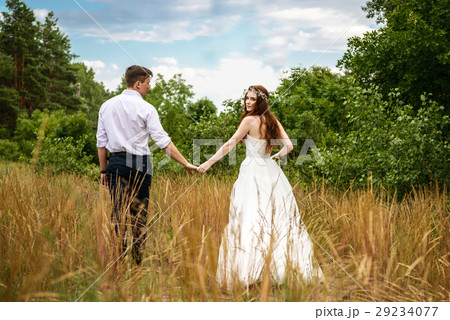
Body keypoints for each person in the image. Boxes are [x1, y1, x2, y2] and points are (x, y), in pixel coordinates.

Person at [197, 85, 323, 286]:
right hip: (272, 172)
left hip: (252, 172)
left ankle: (249, 271)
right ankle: (283, 270)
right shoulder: (272, 120)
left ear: (260, 101)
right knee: (276, 219)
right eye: (246, 98)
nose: (248, 102)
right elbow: (289, 146)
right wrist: (275, 156)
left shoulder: (249, 120)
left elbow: (230, 143)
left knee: (249, 217)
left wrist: (208, 163)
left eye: (252, 99)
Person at [96, 65, 197, 264]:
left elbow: (101, 143)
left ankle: (119, 260)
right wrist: (185, 163)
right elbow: (162, 141)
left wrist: (103, 170)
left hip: (115, 163)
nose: (149, 88)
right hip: (140, 164)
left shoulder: (106, 106)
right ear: (138, 83)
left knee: (118, 212)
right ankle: (137, 261)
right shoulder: (146, 108)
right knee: (139, 215)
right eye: (148, 83)